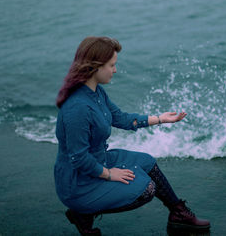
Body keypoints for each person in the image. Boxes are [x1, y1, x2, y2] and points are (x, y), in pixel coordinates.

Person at [54, 36, 210, 235]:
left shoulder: (96, 93)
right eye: (112, 65)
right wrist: (110, 174)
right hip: (78, 183)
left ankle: (178, 213)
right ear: (95, 67)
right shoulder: (77, 108)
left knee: (147, 162)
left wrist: (161, 118)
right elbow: (79, 159)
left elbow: (121, 119)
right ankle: (83, 213)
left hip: (99, 160)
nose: (115, 70)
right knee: (147, 189)